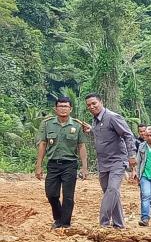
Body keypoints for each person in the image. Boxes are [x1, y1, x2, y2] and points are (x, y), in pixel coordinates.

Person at [35, 97, 89, 228]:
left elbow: (81, 146)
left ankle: (65, 223)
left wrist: (84, 167)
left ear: (70, 109)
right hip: (53, 164)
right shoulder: (47, 124)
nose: (63, 109)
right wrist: (38, 165)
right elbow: (43, 144)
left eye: (66, 106)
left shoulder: (77, 125)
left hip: (70, 164)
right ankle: (59, 217)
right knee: (51, 194)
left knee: (68, 196)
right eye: (60, 106)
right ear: (55, 108)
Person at [85, 93, 137, 228]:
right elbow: (103, 133)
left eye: (94, 103)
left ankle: (103, 222)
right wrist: (91, 130)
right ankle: (119, 225)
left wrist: (131, 155)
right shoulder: (95, 121)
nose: (91, 107)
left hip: (117, 161)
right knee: (111, 194)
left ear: (101, 102)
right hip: (102, 163)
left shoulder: (113, 117)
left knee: (112, 190)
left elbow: (128, 135)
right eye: (89, 105)